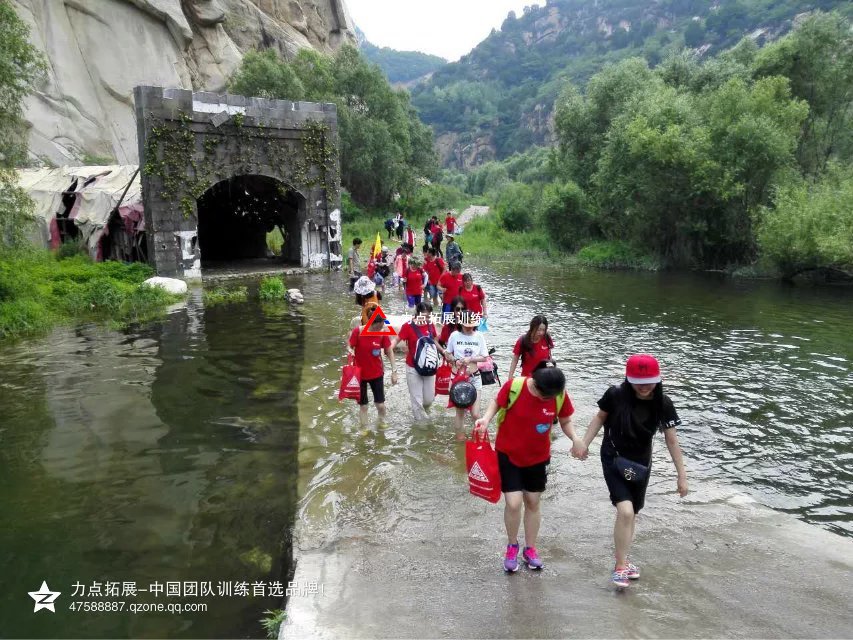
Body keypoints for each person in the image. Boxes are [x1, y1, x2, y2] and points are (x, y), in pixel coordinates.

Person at [573, 354, 688, 588]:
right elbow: (599, 418)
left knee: (633, 512)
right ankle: (620, 566)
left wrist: (682, 475)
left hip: (641, 463)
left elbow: (672, 440)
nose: (644, 387)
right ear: (628, 379)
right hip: (613, 458)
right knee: (625, 511)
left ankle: (624, 560)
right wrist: (584, 443)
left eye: (649, 382)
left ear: (658, 380)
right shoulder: (615, 395)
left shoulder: (663, 403)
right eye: (638, 382)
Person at [474, 361, 578, 572]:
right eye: (544, 395)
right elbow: (497, 401)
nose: (547, 399)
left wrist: (576, 439)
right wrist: (485, 419)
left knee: (532, 501)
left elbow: (565, 421)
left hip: (538, 457)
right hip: (508, 453)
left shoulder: (558, 394)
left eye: (551, 396)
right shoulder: (515, 387)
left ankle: (530, 549)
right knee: (513, 503)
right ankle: (512, 546)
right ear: (535, 383)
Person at [392, 302, 450, 422]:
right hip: (412, 367)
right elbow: (396, 340)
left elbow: (434, 341)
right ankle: (421, 427)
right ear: (417, 314)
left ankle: (422, 413)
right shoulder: (408, 326)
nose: (427, 319)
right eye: (424, 316)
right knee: (417, 401)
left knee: (429, 399)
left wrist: (444, 352)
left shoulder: (430, 325)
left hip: (429, 366)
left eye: (429, 316)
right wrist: (388, 349)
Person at [347, 303, 398, 424]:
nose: (382, 328)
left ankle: (381, 423)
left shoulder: (382, 334)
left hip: (377, 374)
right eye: (380, 326)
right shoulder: (358, 332)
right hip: (360, 375)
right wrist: (350, 350)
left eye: (383, 325)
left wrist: (394, 371)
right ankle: (364, 428)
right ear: (372, 324)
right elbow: (349, 345)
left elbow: (389, 351)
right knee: (364, 406)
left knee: (380, 405)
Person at [446, 312, 489, 439]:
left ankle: (480, 437)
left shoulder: (479, 336)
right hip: (458, 378)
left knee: (475, 414)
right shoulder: (454, 336)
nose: (469, 327)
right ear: (461, 323)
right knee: (460, 413)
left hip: (474, 377)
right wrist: (455, 360)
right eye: (466, 325)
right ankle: (460, 440)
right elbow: (447, 354)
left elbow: (485, 357)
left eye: (471, 325)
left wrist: (471, 359)